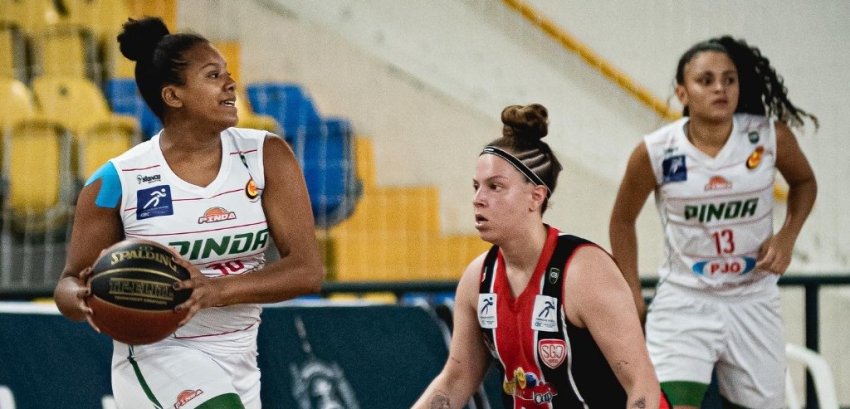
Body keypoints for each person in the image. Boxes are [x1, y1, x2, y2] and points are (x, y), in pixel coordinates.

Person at [53, 17, 324, 408]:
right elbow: (68, 283)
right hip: (156, 355)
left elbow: (308, 271)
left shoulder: (267, 155)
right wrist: (83, 297)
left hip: (240, 356)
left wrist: (214, 292)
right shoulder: (117, 180)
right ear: (173, 96)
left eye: (228, 73)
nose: (231, 83)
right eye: (213, 75)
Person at [609, 35, 818, 409]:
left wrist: (787, 236)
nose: (720, 88)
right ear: (683, 92)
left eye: (729, 79)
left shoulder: (768, 136)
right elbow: (622, 221)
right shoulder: (656, 150)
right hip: (685, 299)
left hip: (753, 298)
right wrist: (630, 294)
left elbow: (805, 182)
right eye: (706, 80)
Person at [413, 104, 667, 409]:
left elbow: (642, 386)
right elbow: (456, 379)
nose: (478, 199)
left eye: (495, 187)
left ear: (536, 196)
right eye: (476, 186)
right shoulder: (477, 279)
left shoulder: (584, 272)